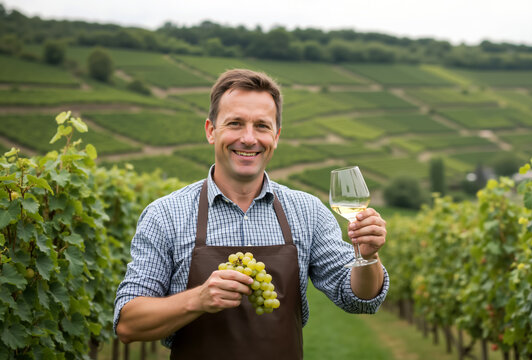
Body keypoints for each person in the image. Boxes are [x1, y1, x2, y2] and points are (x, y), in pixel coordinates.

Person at [113, 69, 389, 359]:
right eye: (235, 123)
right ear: (211, 130)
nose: (248, 138)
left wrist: (367, 257)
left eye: (261, 126)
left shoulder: (308, 212)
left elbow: (359, 300)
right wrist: (198, 298)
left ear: (276, 135)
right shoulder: (166, 215)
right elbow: (128, 324)